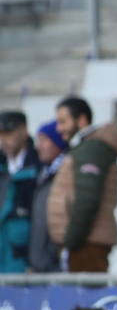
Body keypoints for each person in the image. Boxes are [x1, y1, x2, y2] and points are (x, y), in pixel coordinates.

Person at [50, 97, 117, 273]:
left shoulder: (92, 149)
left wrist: (71, 241)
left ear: (82, 120)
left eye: (63, 122)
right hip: (84, 242)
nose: (58, 128)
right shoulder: (87, 148)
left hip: (87, 244)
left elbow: (87, 198)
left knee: (87, 299)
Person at [1, 111, 38, 274]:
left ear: (24, 131)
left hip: (22, 259)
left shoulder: (38, 167)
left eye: (8, 133)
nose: (3, 140)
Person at [27, 120, 67, 273]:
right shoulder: (42, 174)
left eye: (44, 140)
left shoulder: (64, 174)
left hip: (55, 262)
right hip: (40, 261)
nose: (39, 146)